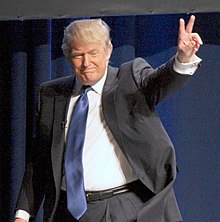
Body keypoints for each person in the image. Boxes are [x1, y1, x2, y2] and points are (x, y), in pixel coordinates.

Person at [14, 15, 202, 222]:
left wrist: (182, 59)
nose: (87, 63)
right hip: (67, 211)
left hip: (123, 208)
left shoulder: (129, 79)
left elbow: (159, 82)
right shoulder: (51, 95)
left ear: (108, 51)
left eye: (93, 53)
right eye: (78, 55)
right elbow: (40, 161)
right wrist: (23, 214)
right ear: (68, 56)